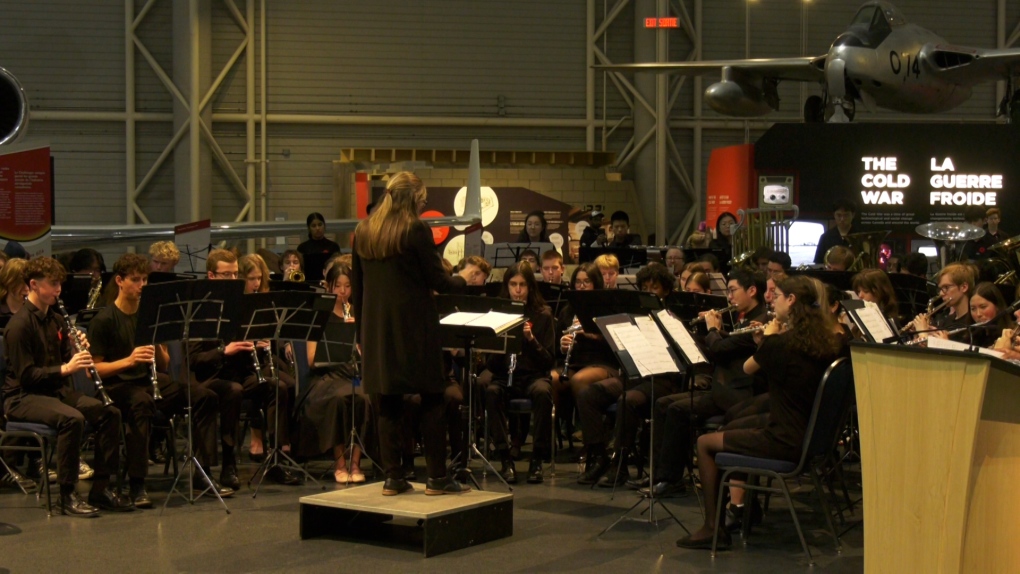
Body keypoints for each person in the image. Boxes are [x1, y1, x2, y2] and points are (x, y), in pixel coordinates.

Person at [677, 275, 845, 549]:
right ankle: (742, 506)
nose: (772, 302)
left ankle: (712, 528)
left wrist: (767, 339)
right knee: (733, 427)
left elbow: (747, 369)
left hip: (784, 440)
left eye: (776, 296)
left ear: (791, 301)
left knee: (705, 443)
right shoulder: (828, 342)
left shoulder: (781, 345)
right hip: (810, 437)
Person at [351, 171, 481, 496]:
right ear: (413, 199)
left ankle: (393, 478)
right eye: (422, 201)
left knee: (387, 402)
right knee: (433, 398)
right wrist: (465, 276)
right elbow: (439, 281)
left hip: (376, 329)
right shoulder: (415, 229)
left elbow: (358, 289)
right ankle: (437, 478)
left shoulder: (363, 231)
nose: (423, 207)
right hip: (414, 328)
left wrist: (361, 334)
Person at [88, 254, 229, 504]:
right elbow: (94, 370)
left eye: (144, 279)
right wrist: (130, 360)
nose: (142, 285)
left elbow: (163, 365)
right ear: (119, 281)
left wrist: (159, 347)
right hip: (117, 385)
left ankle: (203, 472)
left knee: (204, 397)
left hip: (147, 380)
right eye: (135, 280)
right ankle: (137, 483)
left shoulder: (150, 315)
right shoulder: (104, 320)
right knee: (141, 403)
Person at [2, 257, 130, 516]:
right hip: (22, 397)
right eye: (52, 284)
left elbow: (62, 361)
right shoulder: (18, 326)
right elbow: (27, 376)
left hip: (53, 392)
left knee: (109, 413)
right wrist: (66, 368)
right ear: (34, 285)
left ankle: (101, 489)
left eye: (60, 283)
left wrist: (73, 349)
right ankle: (67, 494)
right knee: (72, 419)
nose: (58, 289)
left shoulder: (57, 320)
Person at [644, 269, 769, 498]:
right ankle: (661, 474)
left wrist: (712, 329)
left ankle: (669, 479)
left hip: (739, 395)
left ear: (752, 291)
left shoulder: (759, 321)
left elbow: (721, 349)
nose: (728, 297)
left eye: (732, 291)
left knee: (677, 409)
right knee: (663, 404)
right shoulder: (742, 317)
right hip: (725, 388)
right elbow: (724, 349)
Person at [189, 249, 300, 489]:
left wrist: (259, 346)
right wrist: (223, 351)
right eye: (226, 275)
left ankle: (275, 460)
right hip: (211, 377)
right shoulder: (200, 309)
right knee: (234, 391)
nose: (233, 281)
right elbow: (194, 360)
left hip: (242, 372)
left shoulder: (245, 305)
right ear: (211, 275)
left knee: (278, 387)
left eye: (235, 275)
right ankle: (228, 466)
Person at [293, 262, 371, 483]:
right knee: (339, 399)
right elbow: (311, 359)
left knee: (364, 397)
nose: (343, 291)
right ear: (329, 287)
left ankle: (356, 463)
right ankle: (340, 463)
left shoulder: (358, 313)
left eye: (347, 286)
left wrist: (357, 342)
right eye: (338, 286)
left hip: (353, 375)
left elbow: (368, 355)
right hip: (328, 376)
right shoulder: (320, 314)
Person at [483, 262, 555, 484]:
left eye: (522, 285)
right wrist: (504, 340)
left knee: (543, 393)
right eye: (513, 284)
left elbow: (549, 360)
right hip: (506, 375)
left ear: (530, 287)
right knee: (492, 392)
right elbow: (491, 364)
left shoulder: (543, 314)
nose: (517, 290)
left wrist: (530, 340)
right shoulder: (498, 314)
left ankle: (537, 461)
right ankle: (505, 460)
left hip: (533, 376)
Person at [297, 212, 341, 282]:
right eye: (313, 226)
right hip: (308, 282)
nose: (317, 228)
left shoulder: (333, 246)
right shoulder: (302, 248)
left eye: (320, 224)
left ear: (324, 226)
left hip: (329, 282)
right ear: (309, 228)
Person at [813, 200, 857, 264]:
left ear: (853, 215)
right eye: (839, 215)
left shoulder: (861, 236)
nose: (842, 219)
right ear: (834, 215)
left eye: (846, 215)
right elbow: (818, 262)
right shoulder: (825, 237)